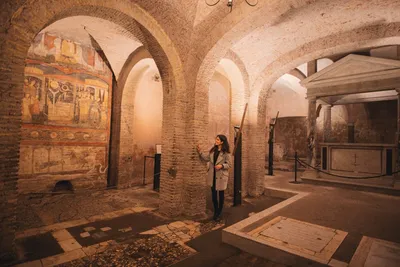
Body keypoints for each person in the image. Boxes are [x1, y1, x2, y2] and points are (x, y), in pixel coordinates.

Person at [197, 135, 231, 221]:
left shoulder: (226, 153)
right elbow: (206, 158)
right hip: (212, 176)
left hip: (221, 176)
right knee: (214, 196)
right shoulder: (213, 151)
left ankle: (219, 212)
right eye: (216, 139)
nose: (216, 140)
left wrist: (221, 165)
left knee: (221, 195)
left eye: (218, 139)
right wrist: (200, 152)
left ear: (222, 142)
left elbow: (229, 164)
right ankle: (216, 211)